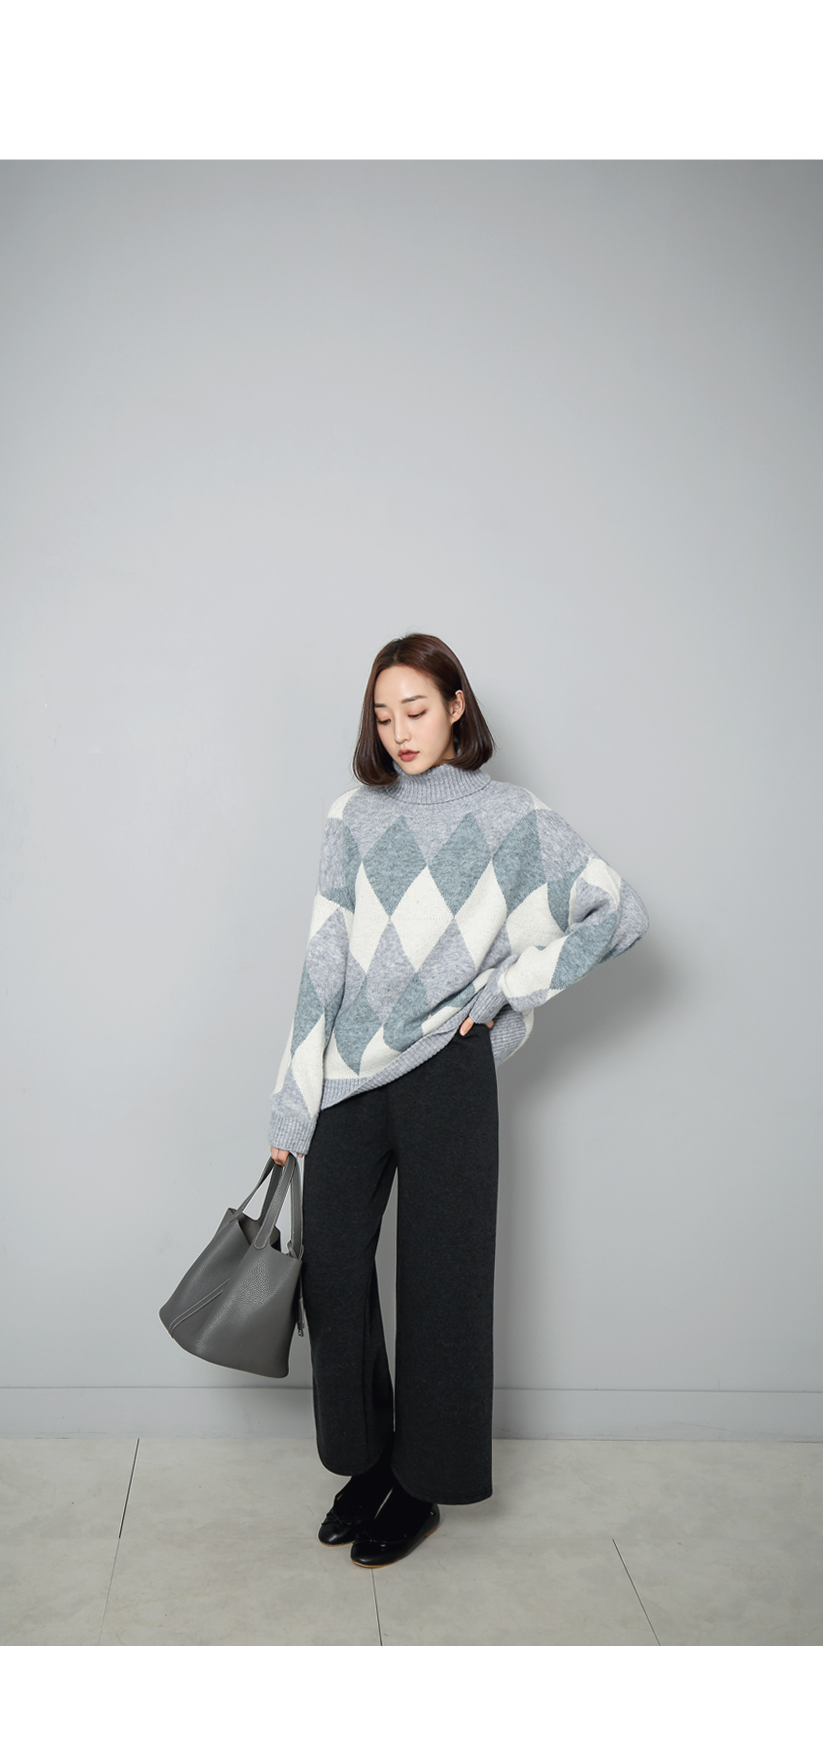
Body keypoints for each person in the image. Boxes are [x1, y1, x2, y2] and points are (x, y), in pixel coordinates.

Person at [268, 632, 649, 1568]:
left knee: (445, 1287)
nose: (400, 731)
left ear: (456, 706)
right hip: (351, 1076)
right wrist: (292, 1100)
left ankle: (420, 1486)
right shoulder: (352, 817)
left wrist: (508, 989)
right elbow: (324, 961)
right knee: (333, 1275)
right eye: (383, 715)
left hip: (449, 1072)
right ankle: (366, 1465)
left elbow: (617, 911)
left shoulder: (512, 817)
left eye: (416, 709)